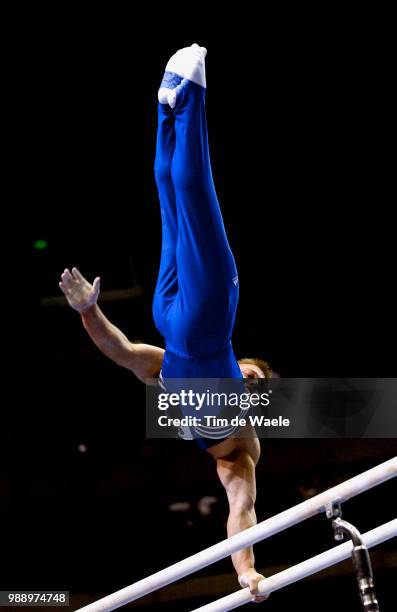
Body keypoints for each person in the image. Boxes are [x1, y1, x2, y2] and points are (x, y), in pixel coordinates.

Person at [59, 44, 271, 603]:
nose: (250, 384)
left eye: (253, 381)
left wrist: (88, 311)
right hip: (202, 325)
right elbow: (245, 514)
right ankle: (175, 102)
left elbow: (124, 352)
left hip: (178, 320)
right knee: (183, 196)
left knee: (181, 198)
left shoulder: (221, 450)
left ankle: (180, 100)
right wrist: (248, 568)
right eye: (251, 380)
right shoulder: (243, 447)